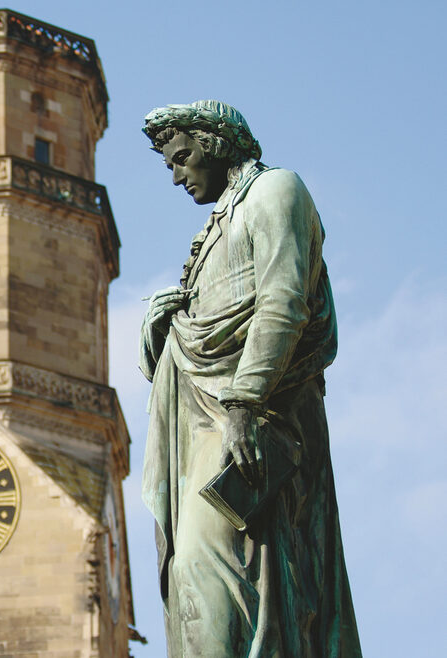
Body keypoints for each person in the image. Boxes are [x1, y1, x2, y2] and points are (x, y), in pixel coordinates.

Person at [139, 100, 361, 656]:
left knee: (211, 559)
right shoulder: (212, 230)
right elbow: (186, 352)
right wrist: (160, 323)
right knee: (190, 582)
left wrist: (244, 403)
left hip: (252, 417)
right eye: (169, 165)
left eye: (181, 158)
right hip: (202, 421)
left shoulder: (275, 191)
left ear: (213, 144)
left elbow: (284, 301)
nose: (176, 175)